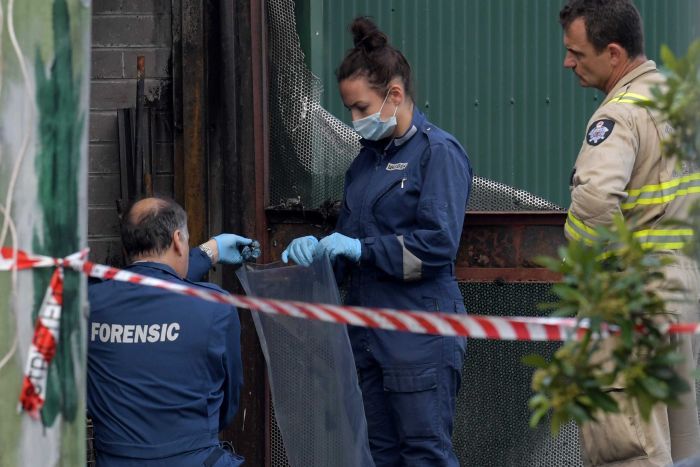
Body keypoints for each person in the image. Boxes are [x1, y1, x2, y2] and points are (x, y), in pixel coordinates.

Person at [282, 17, 473, 466]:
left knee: (425, 454)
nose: (354, 120)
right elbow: (349, 242)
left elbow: (437, 247)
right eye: (350, 108)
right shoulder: (365, 164)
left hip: (418, 334)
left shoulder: (437, 154)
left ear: (395, 95)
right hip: (366, 335)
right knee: (377, 454)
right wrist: (320, 254)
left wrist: (361, 250)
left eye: (362, 108)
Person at [559, 0, 700, 465]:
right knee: (679, 444)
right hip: (680, 297)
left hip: (633, 303)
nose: (568, 63)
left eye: (577, 53)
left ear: (614, 53)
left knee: (629, 444)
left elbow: (596, 203)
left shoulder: (617, 115)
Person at [88, 197, 251, 466]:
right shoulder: (216, 307)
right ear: (178, 239)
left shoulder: (89, 302)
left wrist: (209, 252)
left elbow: (145, 281)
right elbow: (228, 405)